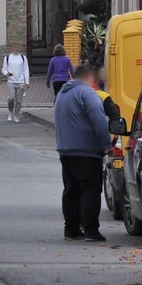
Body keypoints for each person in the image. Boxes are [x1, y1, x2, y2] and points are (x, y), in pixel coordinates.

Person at [54, 65, 111, 242]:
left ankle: (71, 229)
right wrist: (106, 143)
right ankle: (91, 230)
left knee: (71, 191)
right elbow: (99, 120)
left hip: (66, 150)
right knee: (91, 190)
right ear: (89, 77)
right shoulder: (87, 94)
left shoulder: (62, 95)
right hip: (87, 151)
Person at [1, 43, 31, 122]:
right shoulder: (7, 58)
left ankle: (16, 115)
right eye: (14, 47)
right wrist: (6, 73)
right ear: (11, 49)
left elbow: (26, 70)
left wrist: (27, 81)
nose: (16, 49)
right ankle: (10, 112)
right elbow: (4, 69)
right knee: (11, 98)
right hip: (11, 81)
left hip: (20, 81)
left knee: (19, 100)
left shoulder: (23, 58)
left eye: (17, 47)